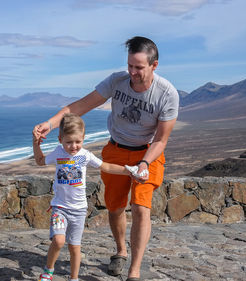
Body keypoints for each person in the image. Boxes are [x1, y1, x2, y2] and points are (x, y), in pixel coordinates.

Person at [32, 36, 179, 281]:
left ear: (154, 65)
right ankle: (120, 251)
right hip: (116, 150)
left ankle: (134, 271)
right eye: (130, 65)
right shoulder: (116, 81)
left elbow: (161, 140)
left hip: (147, 153)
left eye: (139, 67)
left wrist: (143, 163)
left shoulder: (167, 94)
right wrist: (50, 123)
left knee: (141, 208)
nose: (132, 72)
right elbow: (79, 107)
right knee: (115, 208)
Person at [33, 113, 132, 281]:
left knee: (74, 247)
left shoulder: (85, 155)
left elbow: (106, 166)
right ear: (60, 139)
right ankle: (48, 271)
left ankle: (74, 278)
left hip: (79, 211)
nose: (73, 146)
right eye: (69, 142)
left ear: (83, 138)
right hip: (60, 208)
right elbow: (40, 160)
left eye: (78, 142)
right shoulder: (58, 153)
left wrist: (128, 170)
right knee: (58, 241)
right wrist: (36, 143)